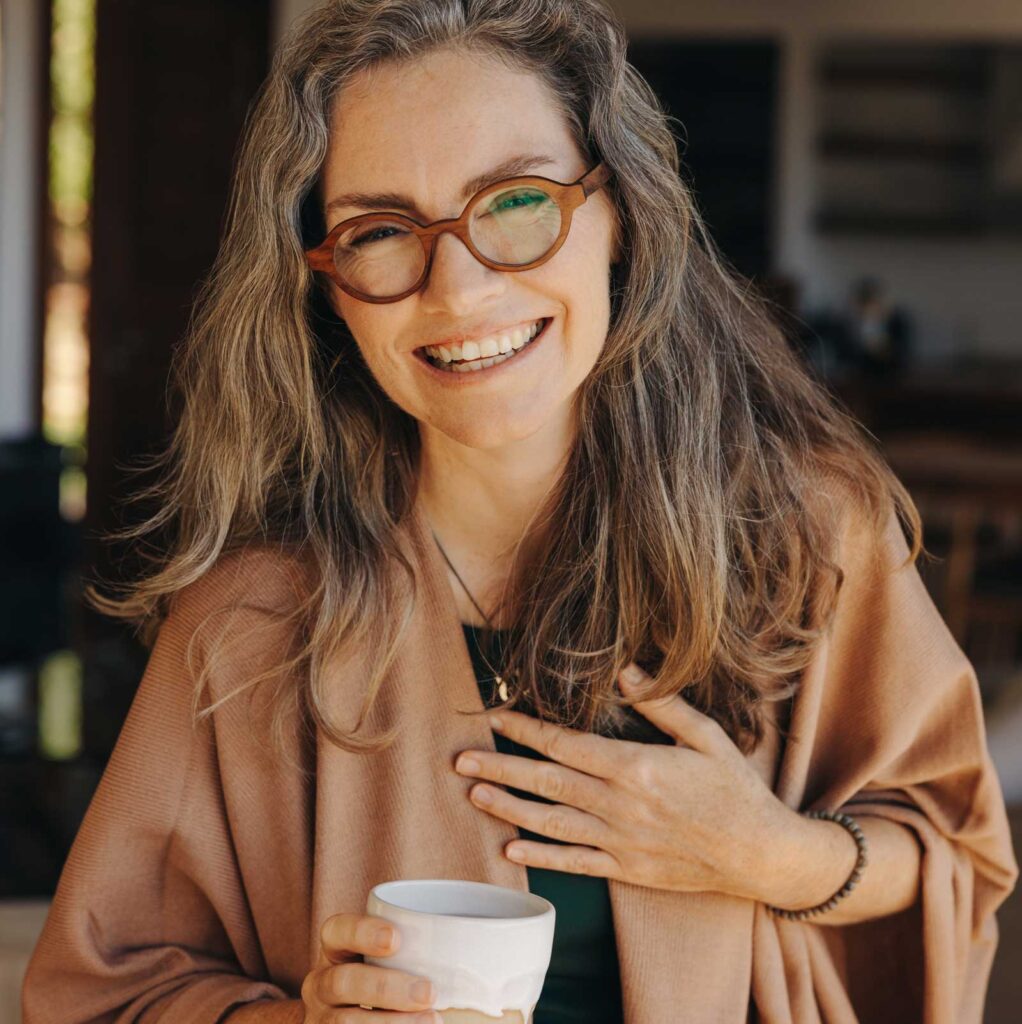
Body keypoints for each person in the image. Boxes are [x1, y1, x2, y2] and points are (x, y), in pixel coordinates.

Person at [22, 1, 1018, 1022]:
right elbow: (102, 991)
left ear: (619, 213)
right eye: (379, 231)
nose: (457, 290)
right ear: (325, 285)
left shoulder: (805, 534)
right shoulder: (249, 621)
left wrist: (766, 853)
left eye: (515, 202)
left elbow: (951, 848)